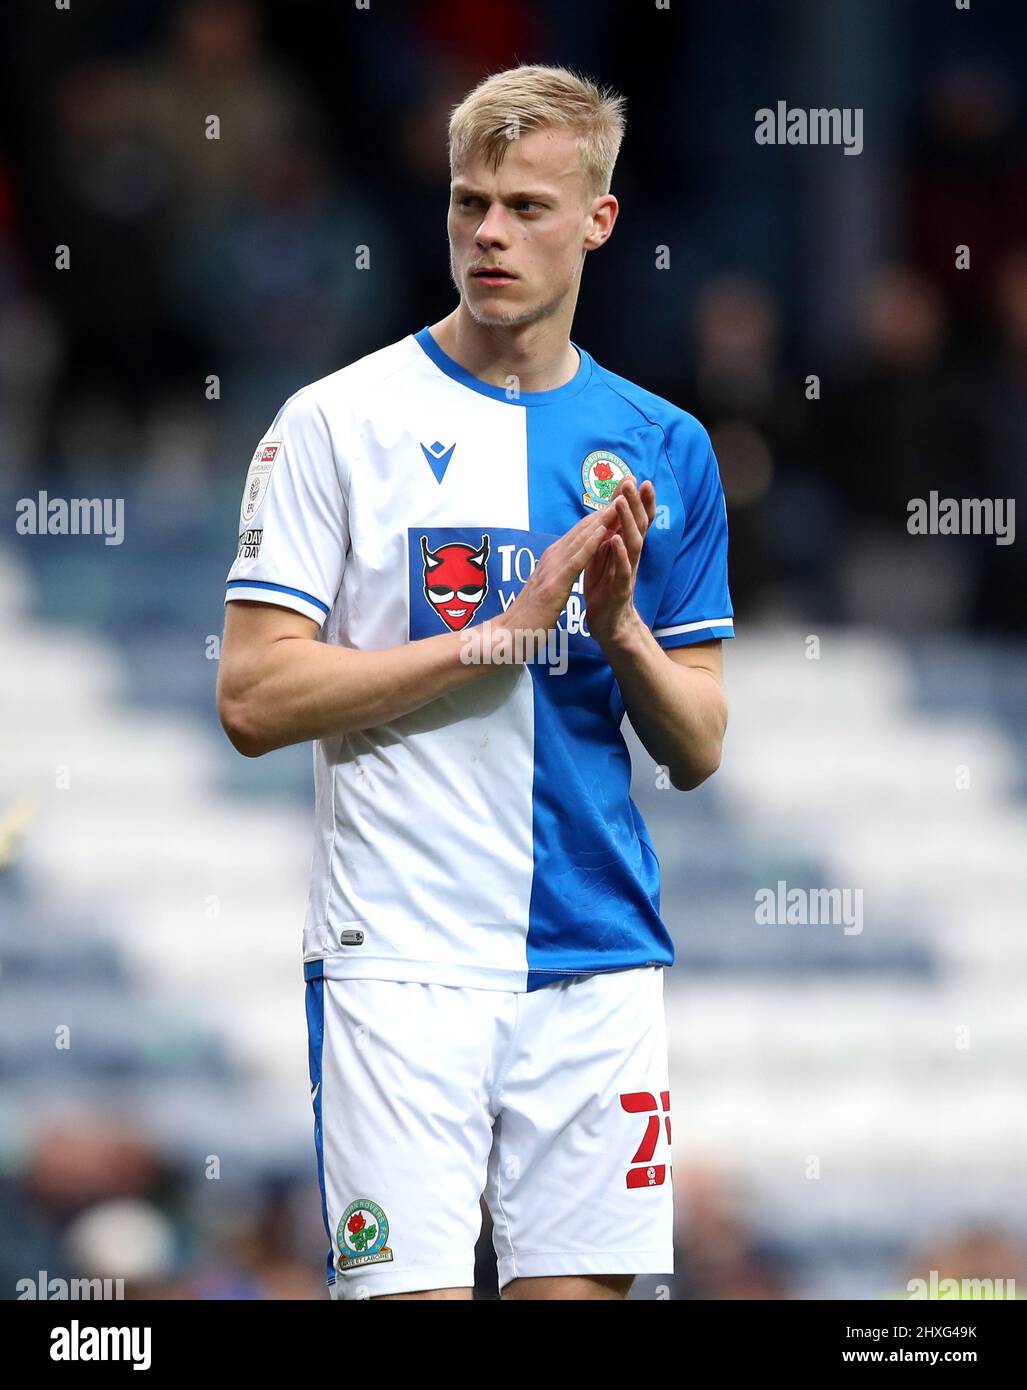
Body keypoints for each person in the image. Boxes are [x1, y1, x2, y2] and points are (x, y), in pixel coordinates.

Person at [216, 63, 734, 1302]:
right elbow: (252, 700)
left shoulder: (664, 446)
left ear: (598, 221)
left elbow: (700, 741)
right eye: (467, 203)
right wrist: (496, 635)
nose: (489, 234)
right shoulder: (336, 423)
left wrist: (618, 631)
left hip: (596, 962)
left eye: (525, 207)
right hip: (398, 959)